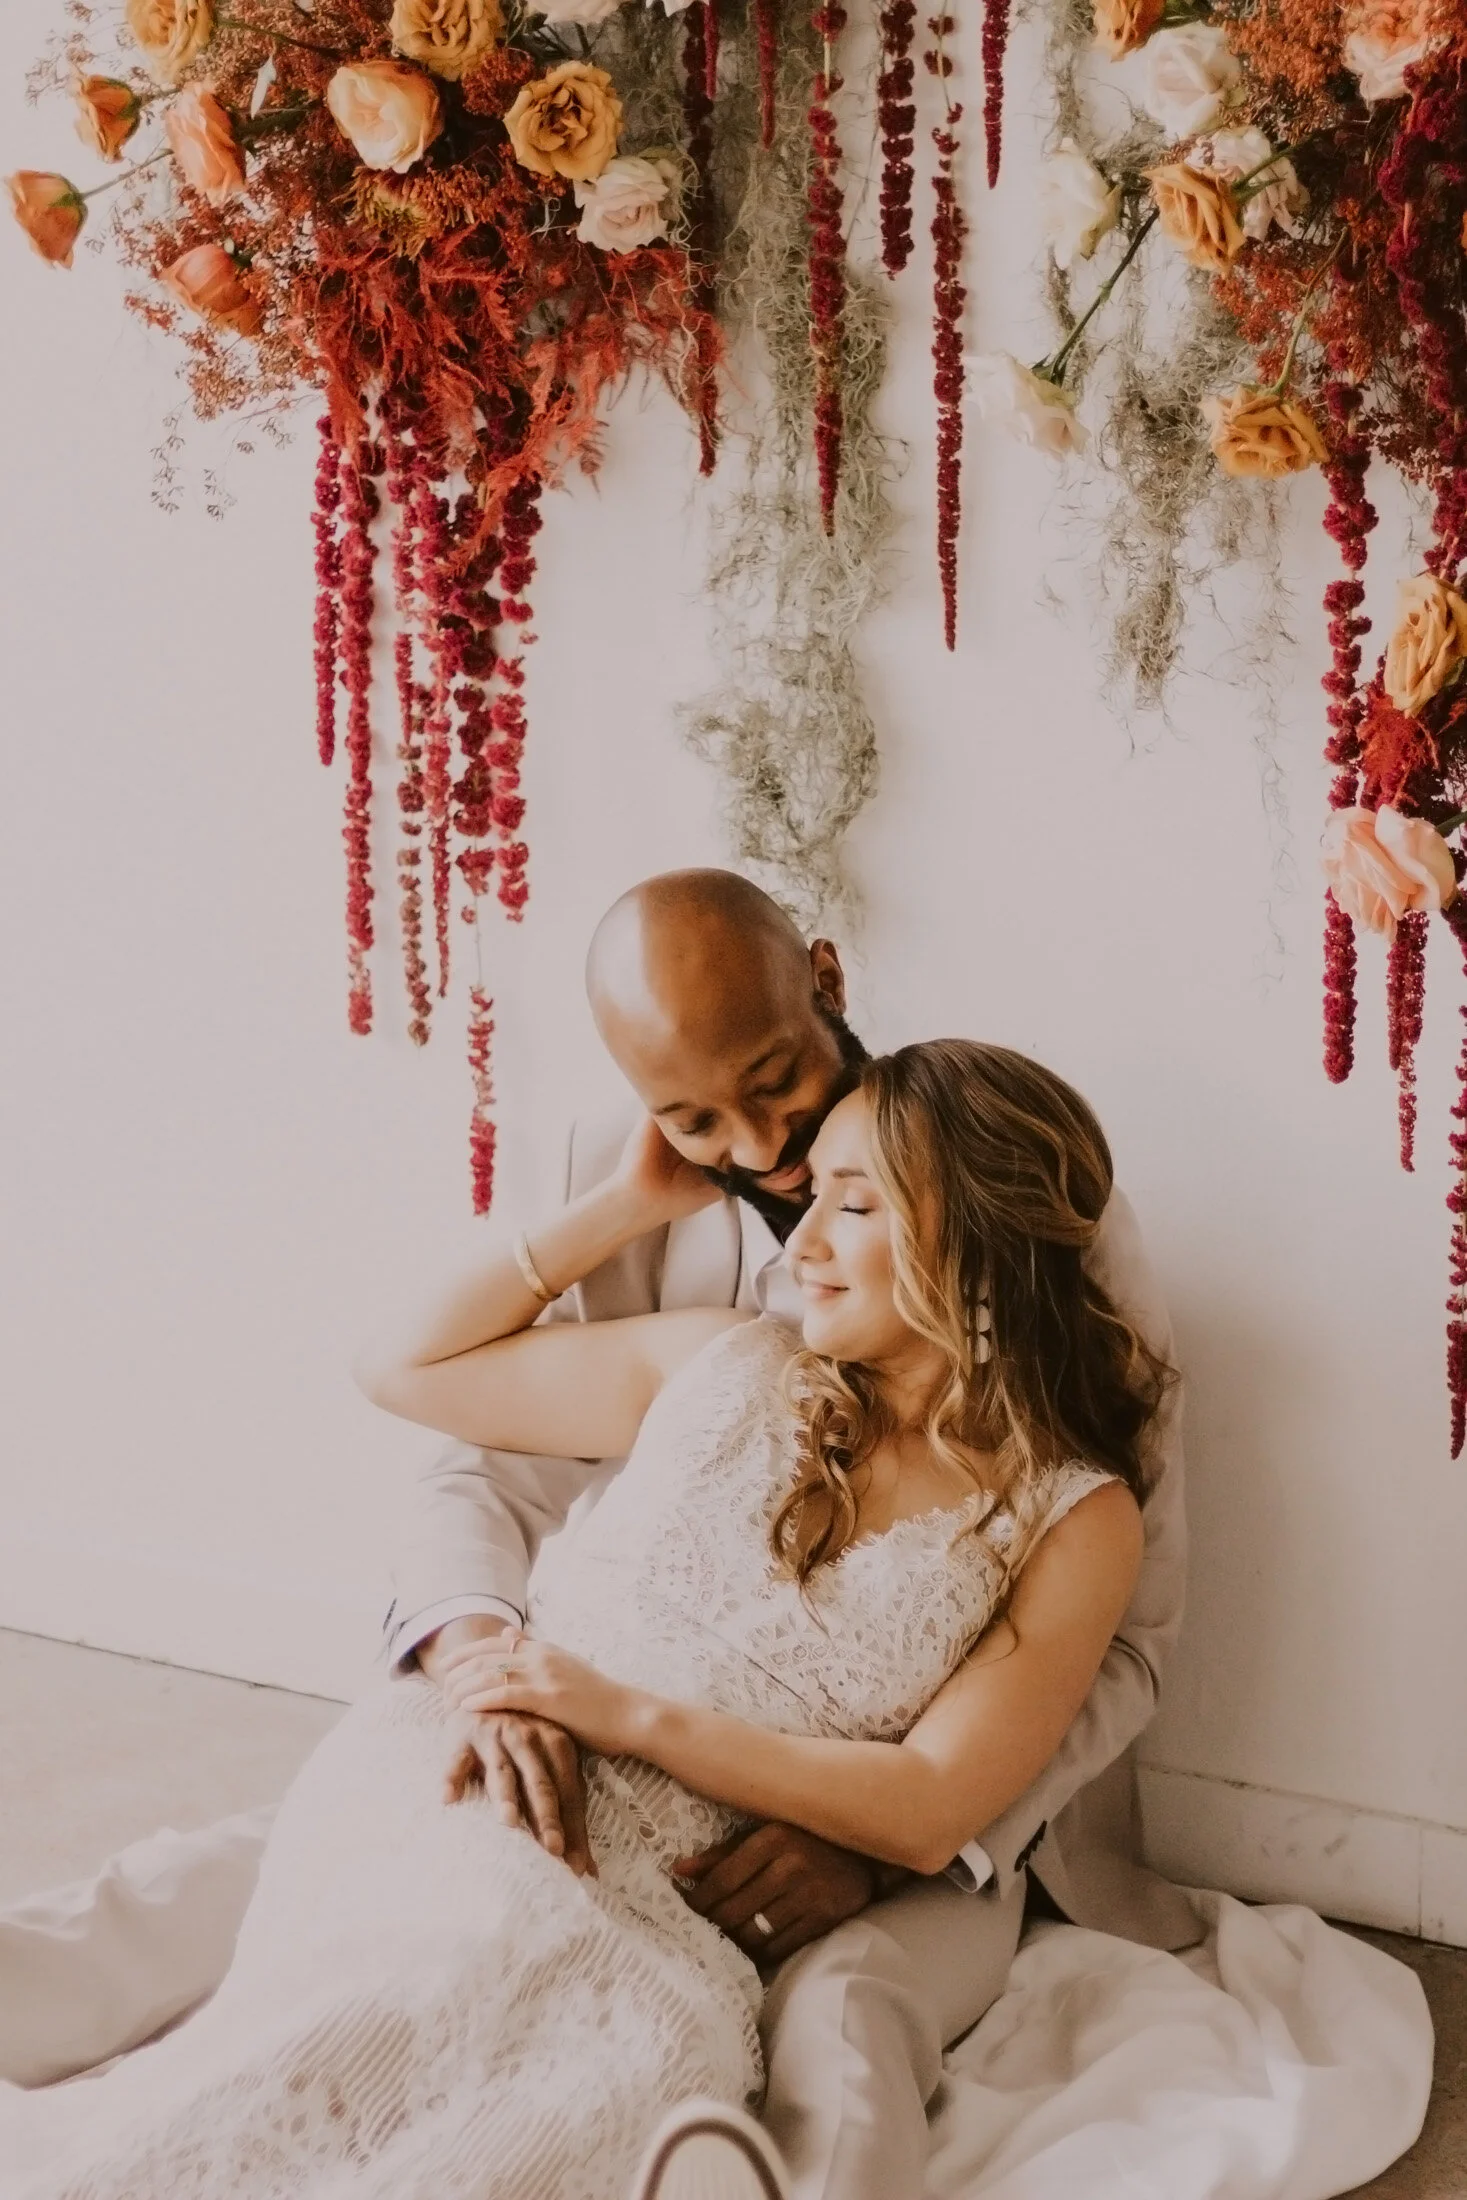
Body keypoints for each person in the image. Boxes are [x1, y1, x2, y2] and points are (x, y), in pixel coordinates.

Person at [0, 873, 1195, 2200]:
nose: (755, 1149)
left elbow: (1118, 1652)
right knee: (338, 1900)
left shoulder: (1040, 1232)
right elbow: (464, 1445)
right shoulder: (715, 1327)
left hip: (907, 1828)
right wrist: (484, 1663)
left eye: (773, 1091)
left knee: (814, 2019)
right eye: (695, 1118)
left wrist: (885, 1837)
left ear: (826, 984)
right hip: (580, 1732)